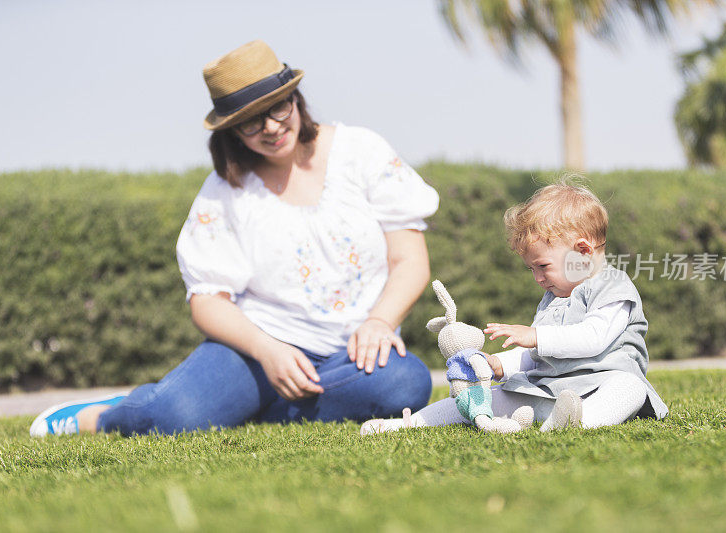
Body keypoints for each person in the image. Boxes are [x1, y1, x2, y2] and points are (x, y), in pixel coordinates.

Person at [31, 40, 439, 437]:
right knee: (175, 417)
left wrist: (379, 322)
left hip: (353, 354)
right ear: (231, 131)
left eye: (279, 107)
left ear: (295, 98)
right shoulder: (224, 190)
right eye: (251, 121)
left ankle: (234, 410)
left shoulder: (362, 151)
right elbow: (207, 300)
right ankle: (106, 416)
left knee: (405, 385)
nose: (272, 128)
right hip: (255, 352)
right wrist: (268, 350)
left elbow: (409, 259)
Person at [361, 181, 667, 434]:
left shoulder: (613, 286)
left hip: (602, 386)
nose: (537, 278)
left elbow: (593, 338)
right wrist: (499, 365)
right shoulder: (554, 297)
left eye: (543, 266)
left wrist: (536, 336)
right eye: (532, 269)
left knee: (630, 387)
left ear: (583, 251)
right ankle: (409, 423)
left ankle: (578, 422)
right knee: (488, 396)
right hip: (550, 391)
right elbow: (537, 357)